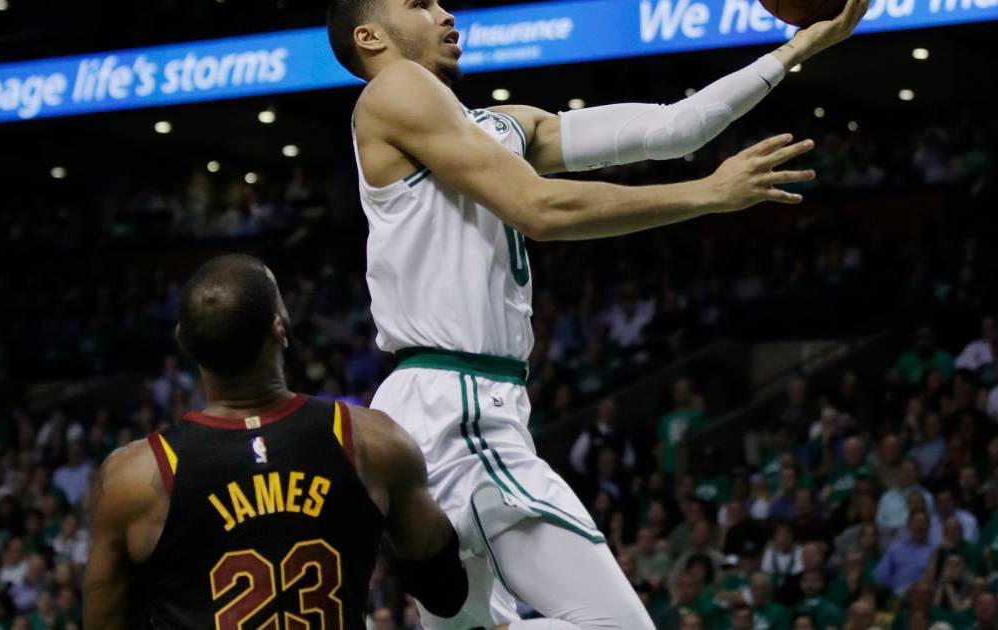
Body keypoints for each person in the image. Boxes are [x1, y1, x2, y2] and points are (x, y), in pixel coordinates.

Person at [328, 0, 871, 626]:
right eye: (419, 3)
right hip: (457, 406)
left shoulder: (498, 127)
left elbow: (674, 128)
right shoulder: (394, 88)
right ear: (370, 37)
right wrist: (706, 193)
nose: (445, 13)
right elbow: (538, 208)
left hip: (452, 404)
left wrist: (798, 48)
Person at [82, 255, 472, 628]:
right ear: (280, 328)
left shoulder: (132, 478)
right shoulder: (373, 441)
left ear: (183, 339)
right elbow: (445, 593)